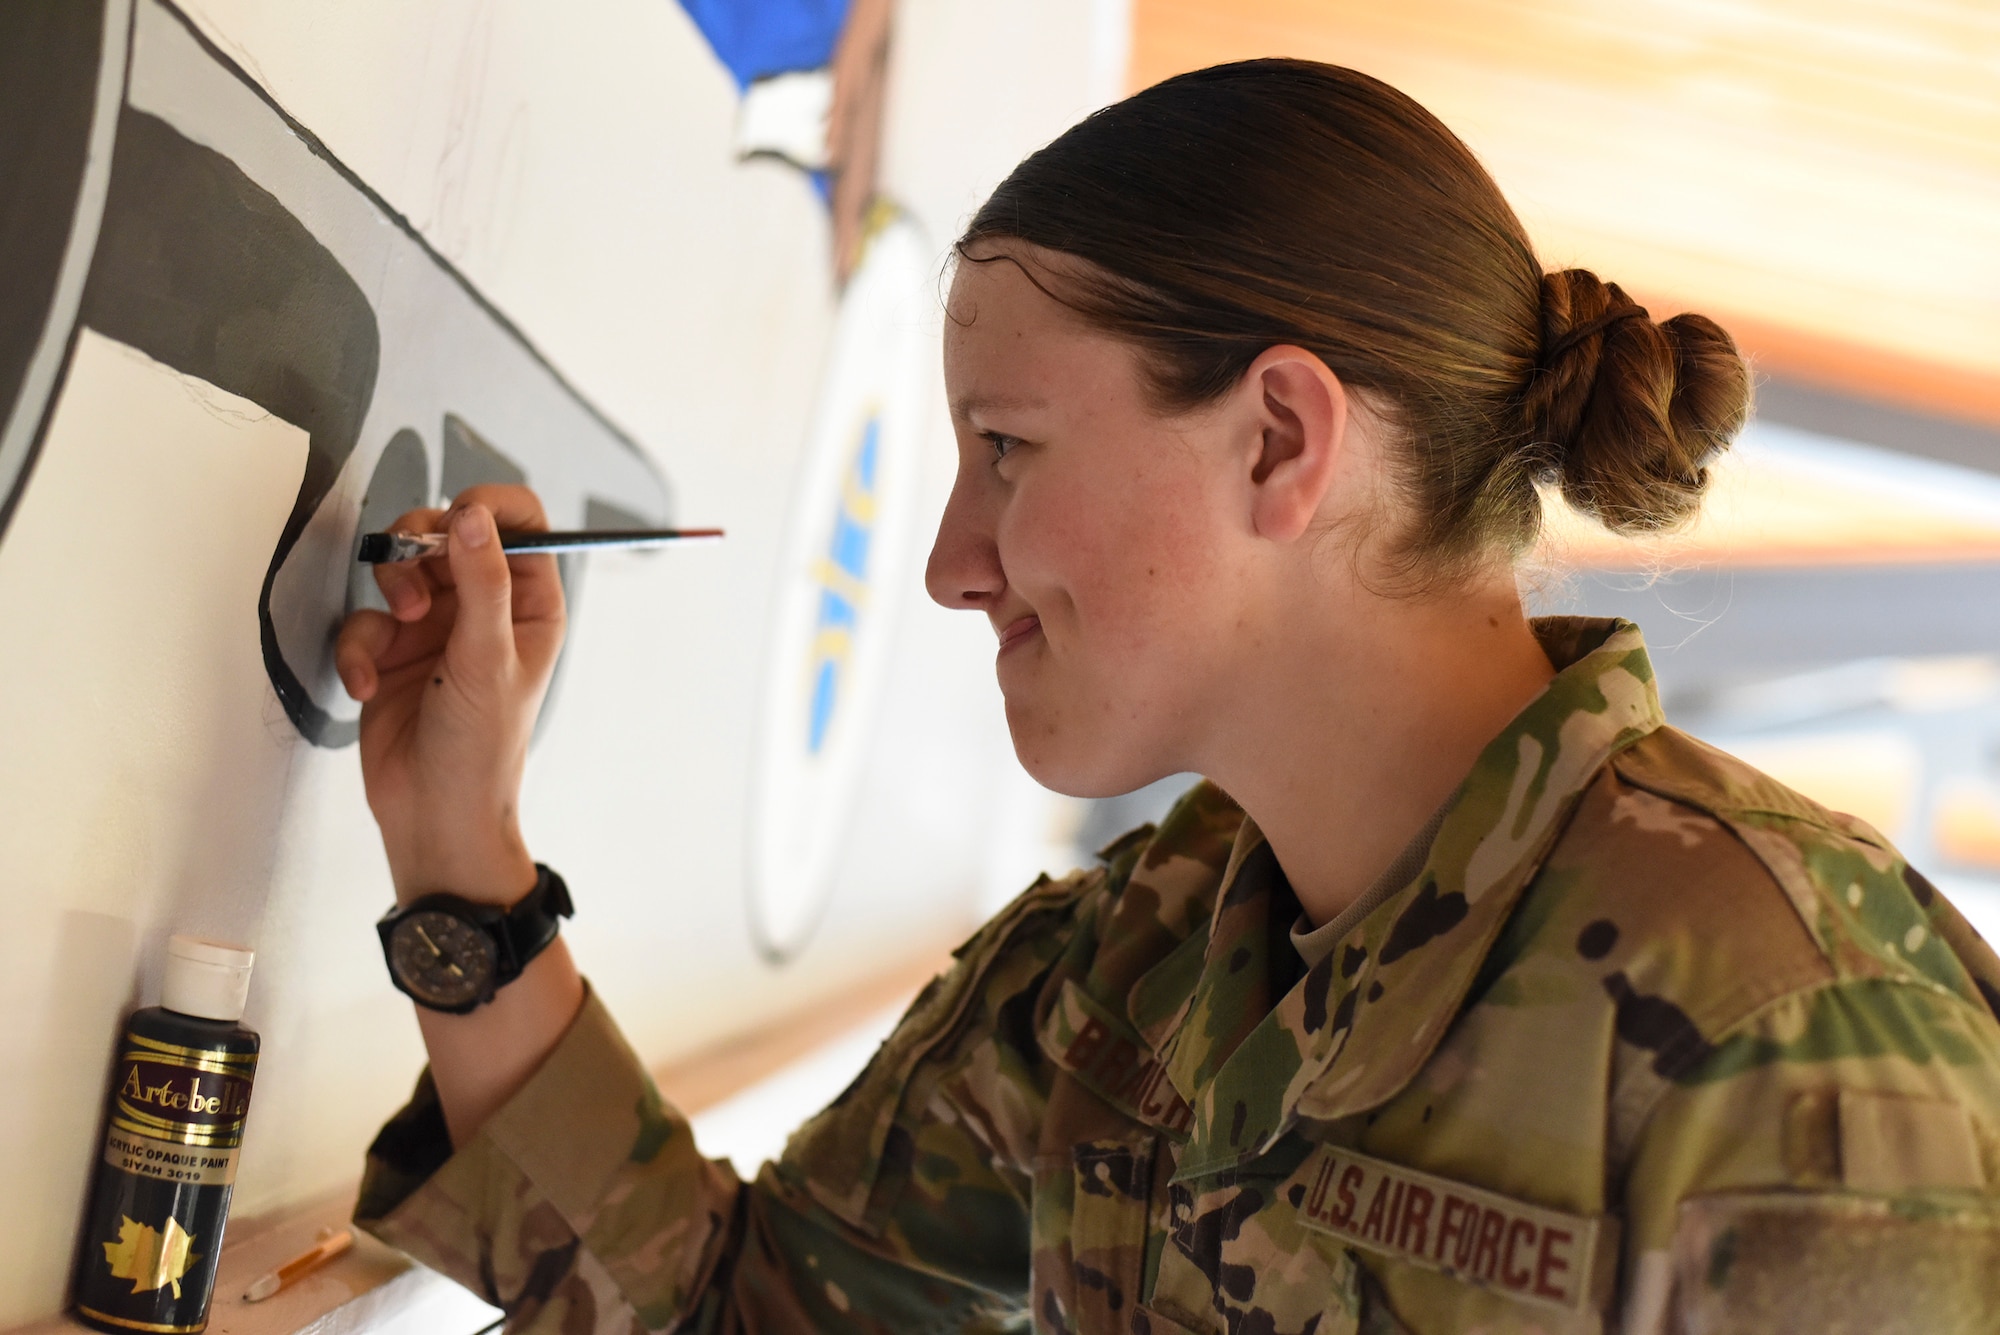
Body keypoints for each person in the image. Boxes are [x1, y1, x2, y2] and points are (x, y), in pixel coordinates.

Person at [336, 59, 2000, 1335]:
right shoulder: (1130, 977)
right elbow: (740, 1311)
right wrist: (454, 845)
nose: (949, 561)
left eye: (1008, 449)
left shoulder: (1791, 1028)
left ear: (1280, 440)